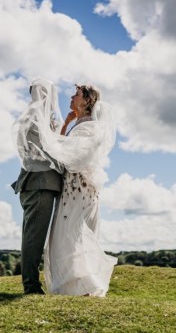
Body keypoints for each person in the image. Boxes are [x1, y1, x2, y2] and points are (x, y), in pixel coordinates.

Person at [38, 84, 118, 297]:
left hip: (80, 190)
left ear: (87, 101)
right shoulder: (79, 126)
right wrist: (65, 124)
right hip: (72, 188)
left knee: (72, 236)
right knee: (64, 235)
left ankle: (86, 286)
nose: (71, 97)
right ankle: (73, 288)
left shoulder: (91, 128)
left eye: (76, 95)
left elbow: (69, 156)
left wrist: (53, 138)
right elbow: (64, 149)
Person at [11, 78, 64, 295]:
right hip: (39, 182)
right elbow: (47, 151)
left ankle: (33, 283)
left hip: (44, 183)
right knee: (34, 236)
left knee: (36, 235)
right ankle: (31, 285)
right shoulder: (33, 118)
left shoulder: (41, 118)